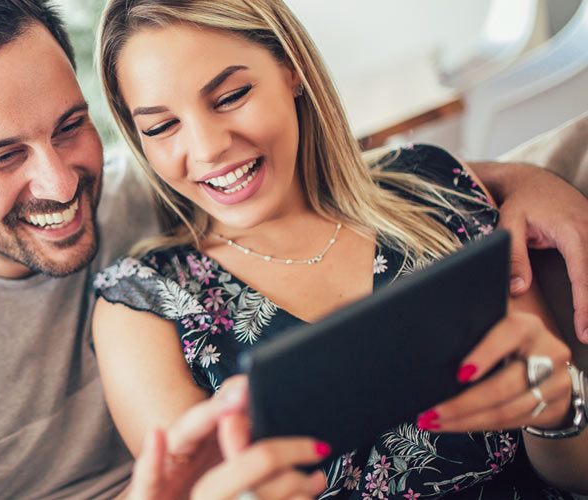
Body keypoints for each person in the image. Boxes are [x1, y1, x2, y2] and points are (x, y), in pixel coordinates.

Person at [0, 0, 588, 498]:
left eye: (70, 126)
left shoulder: (141, 187)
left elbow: (336, 183)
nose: (59, 180)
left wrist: (526, 179)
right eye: (2, 156)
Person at [92, 0, 588, 498]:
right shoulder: (143, 306)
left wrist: (559, 409)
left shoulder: (434, 189)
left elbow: (574, 473)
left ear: (292, 69)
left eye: (231, 96)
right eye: (160, 127)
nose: (205, 148)